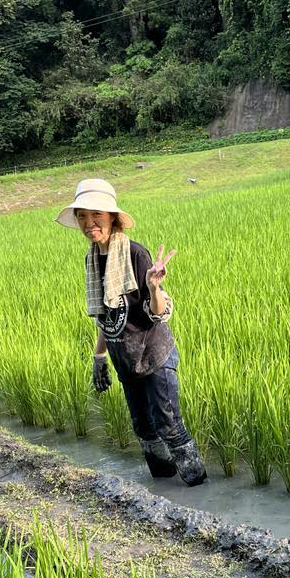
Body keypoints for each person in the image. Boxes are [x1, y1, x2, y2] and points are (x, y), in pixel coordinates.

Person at [57, 178, 207, 486]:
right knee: (144, 429)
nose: (89, 223)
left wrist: (154, 288)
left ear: (111, 217)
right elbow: (106, 315)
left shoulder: (135, 254)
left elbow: (158, 312)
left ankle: (197, 488)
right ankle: (164, 496)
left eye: (96, 215)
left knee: (169, 426)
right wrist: (99, 357)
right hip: (125, 358)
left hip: (154, 355)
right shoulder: (92, 260)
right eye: (82, 216)